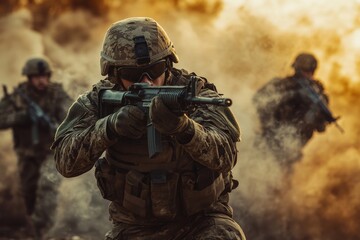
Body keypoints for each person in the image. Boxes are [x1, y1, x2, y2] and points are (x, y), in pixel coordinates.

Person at [51, 17, 246, 240]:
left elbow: (226, 156)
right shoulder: (99, 101)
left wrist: (185, 129)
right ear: (114, 73)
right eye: (133, 75)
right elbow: (65, 162)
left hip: (201, 221)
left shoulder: (195, 96)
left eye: (155, 69)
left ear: (167, 63)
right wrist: (108, 128)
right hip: (134, 226)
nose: (147, 82)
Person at [0, 57, 73, 238]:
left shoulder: (56, 93)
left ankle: (46, 228)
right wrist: (21, 117)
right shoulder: (18, 96)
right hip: (28, 154)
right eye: (36, 77)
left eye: (44, 76)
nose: (41, 80)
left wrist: (58, 124)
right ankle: (33, 225)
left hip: (51, 152)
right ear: (29, 78)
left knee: (49, 190)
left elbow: (72, 113)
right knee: (29, 190)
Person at [253, 52, 330, 169]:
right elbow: (258, 100)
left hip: (292, 148)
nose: (306, 75)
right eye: (305, 71)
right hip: (270, 143)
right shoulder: (281, 84)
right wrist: (292, 95)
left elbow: (321, 127)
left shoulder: (317, 92)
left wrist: (316, 110)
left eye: (308, 71)